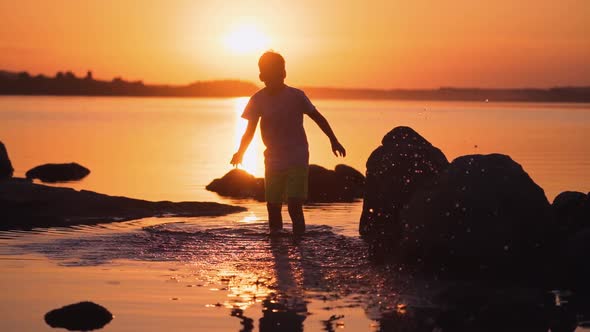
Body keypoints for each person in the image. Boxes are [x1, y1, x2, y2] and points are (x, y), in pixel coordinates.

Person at [231, 51, 346, 236]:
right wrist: (240, 152)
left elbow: (319, 118)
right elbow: (249, 131)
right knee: (273, 206)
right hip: (273, 159)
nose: (276, 76)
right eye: (270, 73)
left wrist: (334, 140)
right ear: (262, 76)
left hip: (297, 157)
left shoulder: (297, 96)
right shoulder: (257, 99)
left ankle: (299, 242)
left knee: (294, 205)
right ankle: (276, 243)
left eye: (279, 71)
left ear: (284, 73)